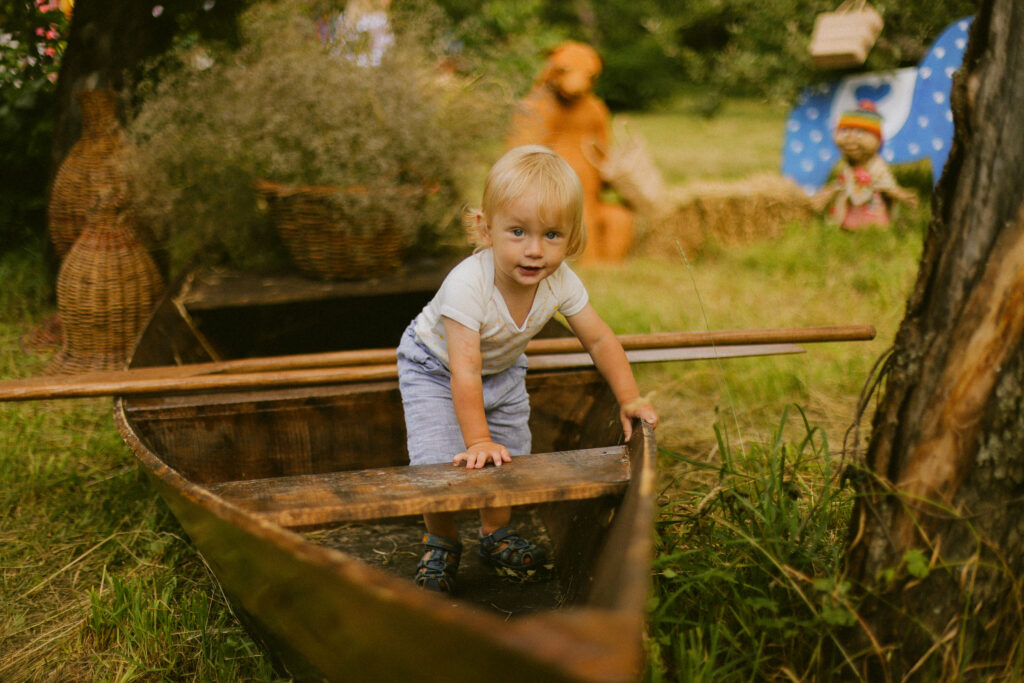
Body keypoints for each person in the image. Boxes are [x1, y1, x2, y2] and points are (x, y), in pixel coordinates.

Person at [396, 145, 659, 594]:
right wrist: (476, 439)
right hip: (437, 369)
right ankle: (440, 540)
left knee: (511, 454)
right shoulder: (467, 285)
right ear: (486, 229)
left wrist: (629, 397)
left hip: (501, 367)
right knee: (437, 459)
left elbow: (599, 338)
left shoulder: (559, 281)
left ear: (572, 237)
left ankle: (493, 533)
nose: (535, 250)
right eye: (517, 231)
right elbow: (463, 370)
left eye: (552, 235)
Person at [812, 100, 918, 230]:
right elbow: (843, 182)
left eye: (859, 133)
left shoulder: (878, 167)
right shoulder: (847, 166)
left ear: (878, 141)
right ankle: (847, 223)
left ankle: (871, 227)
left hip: (872, 206)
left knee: (873, 216)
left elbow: (887, 184)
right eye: (845, 132)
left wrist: (899, 193)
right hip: (851, 207)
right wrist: (827, 192)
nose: (851, 139)